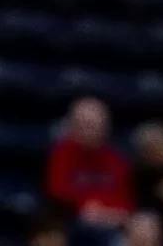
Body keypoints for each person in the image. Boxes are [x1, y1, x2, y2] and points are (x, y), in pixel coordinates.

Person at [46, 97, 133, 229]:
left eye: (95, 126)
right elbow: (57, 193)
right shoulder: (61, 154)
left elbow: (126, 203)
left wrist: (104, 213)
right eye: (85, 125)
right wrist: (84, 207)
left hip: (112, 224)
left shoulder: (117, 159)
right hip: (71, 222)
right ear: (72, 126)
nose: (90, 131)